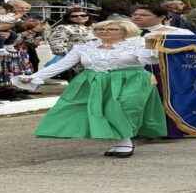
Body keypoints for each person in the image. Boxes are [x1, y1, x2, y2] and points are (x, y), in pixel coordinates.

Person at [21, 20, 167, 158]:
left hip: (131, 81)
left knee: (123, 108)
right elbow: (62, 65)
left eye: (112, 29)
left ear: (126, 31)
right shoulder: (84, 47)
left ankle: (124, 141)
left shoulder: (137, 44)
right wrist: (35, 77)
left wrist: (150, 47)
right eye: (100, 29)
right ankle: (123, 141)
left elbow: (150, 60)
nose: (105, 31)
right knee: (95, 111)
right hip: (94, 82)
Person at [131, 4, 194, 139]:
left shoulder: (177, 32)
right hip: (131, 71)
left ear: (161, 17)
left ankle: (168, 130)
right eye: (135, 14)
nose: (137, 17)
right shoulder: (123, 31)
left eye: (144, 15)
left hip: (163, 70)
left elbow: (189, 51)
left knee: (164, 100)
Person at [47, 8, 94, 79]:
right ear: (68, 18)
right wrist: (70, 57)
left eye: (83, 15)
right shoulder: (63, 28)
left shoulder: (92, 27)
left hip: (95, 61)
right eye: (74, 16)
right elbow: (56, 45)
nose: (79, 17)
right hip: (77, 63)